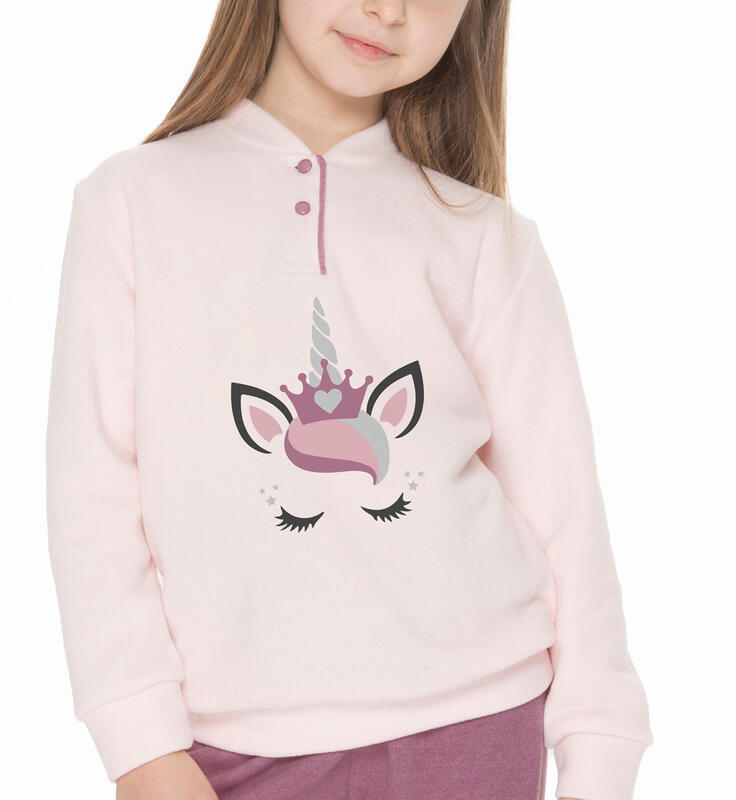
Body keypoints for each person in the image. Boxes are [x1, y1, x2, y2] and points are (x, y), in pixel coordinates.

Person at [45, 1, 654, 799]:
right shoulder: (130, 202)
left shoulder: (486, 236)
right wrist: (140, 746)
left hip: (478, 726)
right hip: (225, 746)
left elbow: (566, 516)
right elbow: (92, 492)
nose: (389, 9)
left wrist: (601, 754)